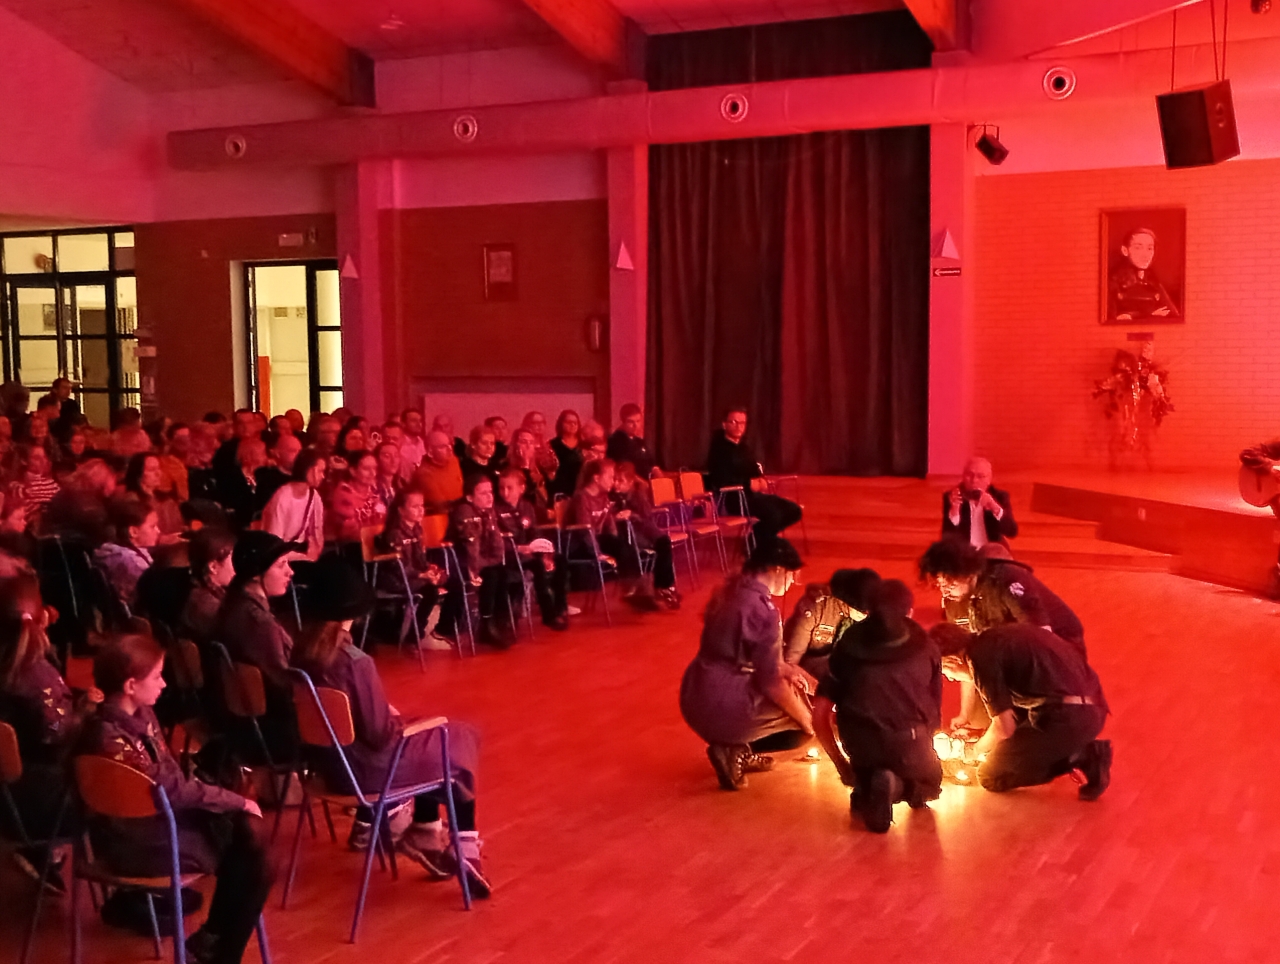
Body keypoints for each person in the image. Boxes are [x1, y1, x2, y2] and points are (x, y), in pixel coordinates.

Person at [289, 562, 490, 895]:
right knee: (456, 738)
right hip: (366, 771)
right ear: (354, 612)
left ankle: (426, 829)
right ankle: (463, 844)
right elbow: (379, 735)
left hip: (328, 766)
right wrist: (395, 718)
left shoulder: (301, 656)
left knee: (431, 740)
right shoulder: (354, 661)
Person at [76, 633, 273, 964]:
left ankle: (213, 944)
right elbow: (173, 789)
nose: (165, 684)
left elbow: (173, 782)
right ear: (130, 685)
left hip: (156, 827)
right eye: (157, 676)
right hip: (138, 845)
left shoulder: (140, 715)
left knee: (253, 845)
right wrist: (235, 801)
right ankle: (216, 947)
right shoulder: (108, 738)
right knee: (254, 849)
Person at [679, 538, 814, 790]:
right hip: (724, 704)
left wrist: (786, 669)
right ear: (777, 568)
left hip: (694, 693)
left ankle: (736, 748)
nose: (792, 582)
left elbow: (739, 652)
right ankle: (734, 749)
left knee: (792, 687)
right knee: (800, 714)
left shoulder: (731, 591)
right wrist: (809, 720)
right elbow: (771, 682)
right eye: (792, 575)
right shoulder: (764, 612)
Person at [812, 580, 942, 833]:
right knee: (930, 785)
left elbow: (819, 715)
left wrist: (841, 764)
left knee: (866, 776)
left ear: (867, 610)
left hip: (860, 744)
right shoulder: (927, 647)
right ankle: (897, 787)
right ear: (909, 612)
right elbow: (934, 712)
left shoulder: (847, 646)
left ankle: (867, 786)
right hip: (909, 740)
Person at [0, 575, 99, 893]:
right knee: (119, 776)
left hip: (9, 792)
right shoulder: (37, 675)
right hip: (38, 800)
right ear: (38, 617)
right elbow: (56, 734)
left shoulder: (11, 665)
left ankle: (46, 852)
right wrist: (87, 710)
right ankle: (133, 879)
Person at [934, 622, 1112, 800]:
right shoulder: (993, 639)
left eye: (944, 672)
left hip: (1069, 717)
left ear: (952, 660)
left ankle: (1083, 756)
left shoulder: (980, 660)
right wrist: (983, 737)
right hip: (1092, 707)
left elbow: (1004, 729)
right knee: (1002, 742)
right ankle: (1067, 747)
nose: (949, 678)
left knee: (990, 775)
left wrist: (971, 752)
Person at [216, 531, 300, 758]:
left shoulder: (233, 603)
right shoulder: (259, 623)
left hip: (241, 721)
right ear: (255, 575)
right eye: (281, 565)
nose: (290, 572)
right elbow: (285, 681)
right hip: (270, 730)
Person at [705, 407, 801, 545]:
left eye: (742, 423)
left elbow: (754, 469)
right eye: (734, 422)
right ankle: (758, 545)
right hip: (732, 500)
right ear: (724, 424)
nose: (739, 426)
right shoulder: (718, 450)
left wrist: (761, 479)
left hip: (751, 496)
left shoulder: (744, 448)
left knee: (793, 510)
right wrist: (748, 483)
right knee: (772, 513)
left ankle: (756, 539)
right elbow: (720, 479)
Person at [447, 476, 519, 647]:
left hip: (483, 560)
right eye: (483, 493)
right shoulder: (465, 512)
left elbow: (496, 543)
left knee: (502, 571)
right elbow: (471, 547)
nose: (489, 497)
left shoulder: (488, 511)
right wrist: (480, 567)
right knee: (491, 574)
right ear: (470, 497)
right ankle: (486, 624)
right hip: (461, 562)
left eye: (490, 492)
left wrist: (495, 560)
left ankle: (501, 619)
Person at [495, 469, 569, 630]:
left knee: (559, 559)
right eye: (501, 488)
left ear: (521, 488)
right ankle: (548, 614)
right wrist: (519, 548)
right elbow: (497, 541)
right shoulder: (496, 510)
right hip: (511, 554)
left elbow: (534, 533)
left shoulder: (527, 507)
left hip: (530, 551)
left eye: (509, 488)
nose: (505, 492)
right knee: (538, 566)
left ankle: (560, 606)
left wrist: (543, 552)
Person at [377, 490, 450, 650]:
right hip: (396, 580)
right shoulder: (394, 534)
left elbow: (420, 559)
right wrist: (422, 575)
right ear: (401, 510)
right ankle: (414, 635)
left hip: (414, 577)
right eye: (414, 506)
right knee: (430, 591)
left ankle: (437, 630)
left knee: (447, 579)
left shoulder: (417, 529)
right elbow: (398, 567)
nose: (420, 510)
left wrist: (430, 568)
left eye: (422, 506)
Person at [783, 568, 881, 679]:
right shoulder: (817, 607)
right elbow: (793, 656)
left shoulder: (874, 618)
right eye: (861, 609)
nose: (864, 614)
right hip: (811, 669)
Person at [612, 461, 681, 609]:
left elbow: (646, 517)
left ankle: (664, 586)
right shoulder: (614, 498)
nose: (616, 484)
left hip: (644, 530)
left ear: (630, 482)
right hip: (629, 535)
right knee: (656, 547)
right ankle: (662, 587)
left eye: (620, 481)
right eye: (615, 480)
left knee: (663, 542)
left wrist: (632, 515)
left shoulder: (639, 495)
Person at [260, 448, 326, 563]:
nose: (323, 476)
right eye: (320, 471)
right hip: (281, 556)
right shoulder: (282, 497)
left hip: (302, 552)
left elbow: (316, 534)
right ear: (309, 470)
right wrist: (301, 558)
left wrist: (312, 554)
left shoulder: (314, 496)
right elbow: (274, 542)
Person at [94, 498, 160, 612]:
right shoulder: (133, 563)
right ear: (133, 532)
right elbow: (156, 596)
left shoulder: (110, 551)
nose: (158, 531)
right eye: (152, 526)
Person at [942, 457, 1017, 548]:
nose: (974, 480)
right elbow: (947, 536)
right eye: (970, 475)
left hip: (990, 550)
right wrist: (955, 511)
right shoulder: (953, 496)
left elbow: (1012, 532)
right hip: (965, 551)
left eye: (980, 476)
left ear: (989, 480)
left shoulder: (999, 496)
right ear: (963, 476)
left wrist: (995, 508)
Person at [1108, 227, 1179, 322]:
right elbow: (1112, 320)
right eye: (1138, 248)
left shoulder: (1154, 284)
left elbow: (1174, 316)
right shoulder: (1113, 283)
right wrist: (1149, 315)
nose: (1145, 255)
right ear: (1125, 250)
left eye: (1150, 248)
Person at [181, 527, 237, 645]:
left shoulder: (193, 588)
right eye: (233, 560)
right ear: (213, 567)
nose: (237, 566)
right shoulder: (209, 606)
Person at [326, 451, 385, 545]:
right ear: (353, 471)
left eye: (375, 468)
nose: (373, 473)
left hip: (371, 547)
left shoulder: (374, 493)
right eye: (366, 469)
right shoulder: (343, 494)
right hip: (347, 548)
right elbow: (350, 533)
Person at [501, 428, 549, 518]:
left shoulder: (539, 467)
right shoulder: (506, 466)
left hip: (540, 515)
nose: (528, 446)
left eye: (531, 442)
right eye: (524, 442)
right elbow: (525, 496)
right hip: (519, 515)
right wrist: (525, 464)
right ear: (515, 445)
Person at [413, 430, 464, 515]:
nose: (449, 449)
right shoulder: (423, 475)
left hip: (461, 511)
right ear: (430, 452)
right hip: (439, 517)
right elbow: (441, 506)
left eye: (450, 444)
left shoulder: (454, 461)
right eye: (443, 447)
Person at [606, 403, 657, 479]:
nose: (635, 425)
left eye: (638, 421)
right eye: (631, 422)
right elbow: (623, 469)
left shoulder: (639, 441)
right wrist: (643, 483)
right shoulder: (615, 442)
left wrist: (656, 470)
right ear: (623, 422)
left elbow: (651, 461)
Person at [547, 410, 583, 500]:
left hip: (580, 489)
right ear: (561, 424)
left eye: (575, 423)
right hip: (560, 490)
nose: (572, 425)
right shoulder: (553, 445)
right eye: (569, 422)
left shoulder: (584, 444)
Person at [459, 426, 500, 491]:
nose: (489, 447)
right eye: (484, 443)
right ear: (473, 444)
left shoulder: (496, 466)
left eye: (492, 443)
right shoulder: (464, 467)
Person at [399, 409, 427, 482]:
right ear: (403, 424)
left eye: (420, 421)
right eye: (414, 421)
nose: (419, 424)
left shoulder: (425, 445)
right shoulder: (399, 445)